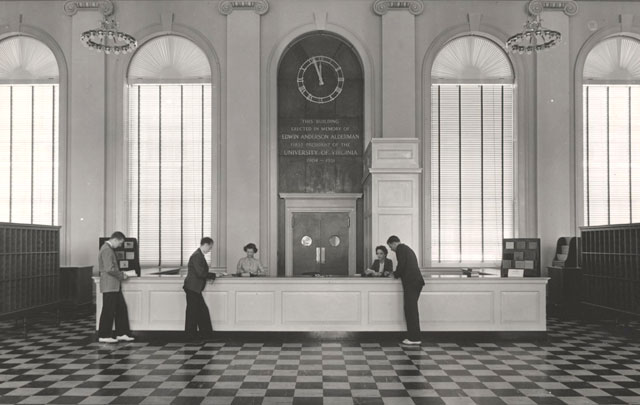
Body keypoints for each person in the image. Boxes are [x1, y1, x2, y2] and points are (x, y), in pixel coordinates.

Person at [387, 235, 425, 345]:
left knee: (410, 310)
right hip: (415, 282)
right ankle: (414, 336)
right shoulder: (405, 248)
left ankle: (414, 338)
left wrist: (394, 274)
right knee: (411, 309)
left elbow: (401, 265)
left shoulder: (400, 249)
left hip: (412, 283)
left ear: (394, 243)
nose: (391, 250)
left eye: (391, 247)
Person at [98, 231, 134, 343]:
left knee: (121, 309)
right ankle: (104, 335)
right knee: (108, 310)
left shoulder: (107, 248)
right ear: (115, 239)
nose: (120, 246)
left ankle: (121, 333)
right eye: (120, 243)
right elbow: (109, 269)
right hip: (110, 285)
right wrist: (122, 275)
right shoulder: (107, 250)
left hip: (113, 285)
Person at [183, 237, 216, 342]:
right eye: (210, 247)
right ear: (205, 245)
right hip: (193, 288)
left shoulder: (198, 255)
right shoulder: (197, 256)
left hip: (193, 288)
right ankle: (195, 336)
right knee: (196, 312)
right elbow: (200, 273)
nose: (210, 250)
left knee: (197, 312)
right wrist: (214, 275)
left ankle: (200, 335)